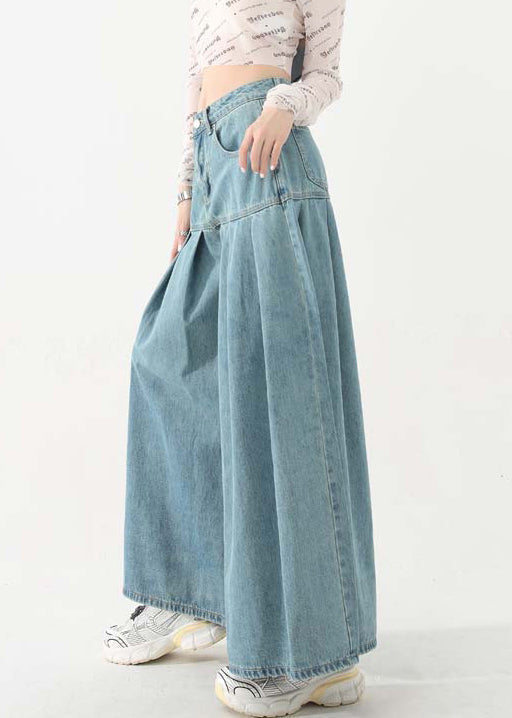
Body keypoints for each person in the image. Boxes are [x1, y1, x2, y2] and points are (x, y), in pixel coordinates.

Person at [103, 2, 377, 715]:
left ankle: (314, 655)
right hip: (214, 172)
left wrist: (284, 107)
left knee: (282, 400)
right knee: (166, 361)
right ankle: (190, 593)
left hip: (272, 165)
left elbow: (325, 76)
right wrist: (185, 195)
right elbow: (195, 99)